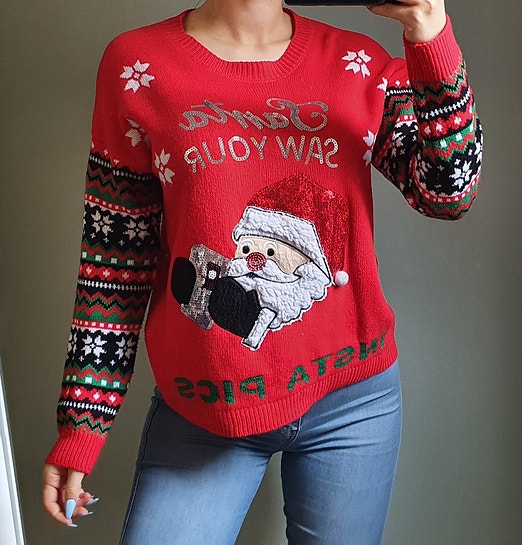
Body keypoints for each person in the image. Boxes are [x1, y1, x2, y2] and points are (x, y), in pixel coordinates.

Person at [42, 0, 482, 543]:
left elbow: (448, 194)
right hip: (206, 404)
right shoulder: (139, 66)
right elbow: (114, 263)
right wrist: (82, 424)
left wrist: (429, 31)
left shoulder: (358, 63)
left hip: (353, 401)